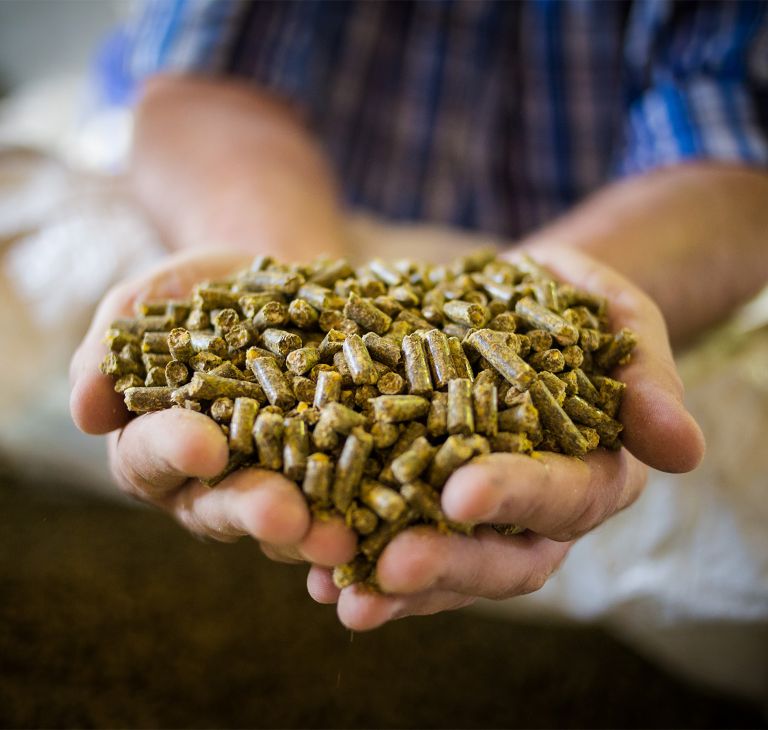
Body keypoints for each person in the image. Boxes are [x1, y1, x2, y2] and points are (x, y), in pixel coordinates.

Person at [70, 0, 767, 633]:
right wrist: (279, 271)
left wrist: (541, 304)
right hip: (272, 205)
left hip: (602, 234)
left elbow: (733, 142)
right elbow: (205, 84)